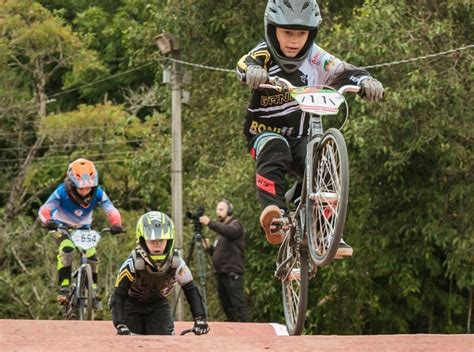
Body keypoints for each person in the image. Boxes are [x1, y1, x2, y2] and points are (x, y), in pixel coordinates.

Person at [236, 0, 384, 255]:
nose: (294, 41)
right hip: (264, 134)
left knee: (321, 161)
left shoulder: (316, 57)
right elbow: (243, 64)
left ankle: (324, 231)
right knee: (276, 148)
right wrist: (252, 72)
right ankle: (275, 214)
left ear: (311, 33)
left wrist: (366, 80)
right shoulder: (263, 54)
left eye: (301, 33)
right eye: (287, 33)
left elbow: (345, 71)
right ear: (273, 30)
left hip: (303, 135)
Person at [38, 158, 123, 308]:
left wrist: (116, 224)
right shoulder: (61, 191)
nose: (85, 192)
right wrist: (47, 221)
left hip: (83, 229)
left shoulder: (98, 193)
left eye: (88, 187)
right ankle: (63, 289)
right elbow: (45, 209)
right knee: (67, 249)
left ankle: (93, 292)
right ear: (71, 184)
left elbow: (110, 209)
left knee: (92, 256)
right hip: (60, 226)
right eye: (80, 188)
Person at [109, 211, 210, 336]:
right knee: (130, 343)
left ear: (169, 240)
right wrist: (120, 324)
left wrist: (200, 319)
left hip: (158, 304)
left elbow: (191, 290)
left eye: (161, 240)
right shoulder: (133, 262)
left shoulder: (176, 263)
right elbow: (118, 294)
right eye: (152, 240)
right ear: (142, 240)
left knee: (165, 341)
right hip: (131, 305)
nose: (157, 245)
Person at [199, 199, 249, 322]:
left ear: (229, 210)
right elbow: (219, 253)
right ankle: (235, 333)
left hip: (232, 274)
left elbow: (230, 232)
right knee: (227, 308)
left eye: (221, 209)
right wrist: (210, 249)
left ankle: (248, 333)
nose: (218, 212)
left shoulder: (235, 225)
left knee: (238, 307)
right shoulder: (222, 233)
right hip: (221, 274)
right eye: (217, 209)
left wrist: (209, 222)